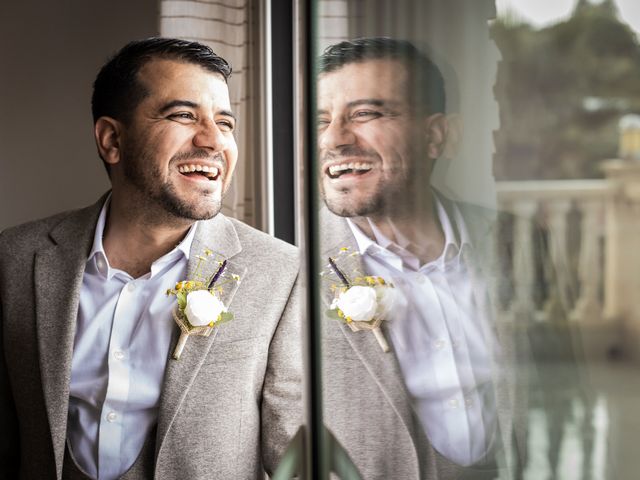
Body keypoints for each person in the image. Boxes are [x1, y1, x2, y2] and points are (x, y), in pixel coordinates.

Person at [0, 37, 300, 479]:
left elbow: (298, 454)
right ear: (112, 139)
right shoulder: (15, 258)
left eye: (225, 122)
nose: (214, 141)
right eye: (183, 115)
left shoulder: (283, 274)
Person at [317, 37, 530, 479]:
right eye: (321, 120)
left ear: (436, 136)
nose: (334, 139)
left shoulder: (522, 241)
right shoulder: (286, 270)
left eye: (366, 113)